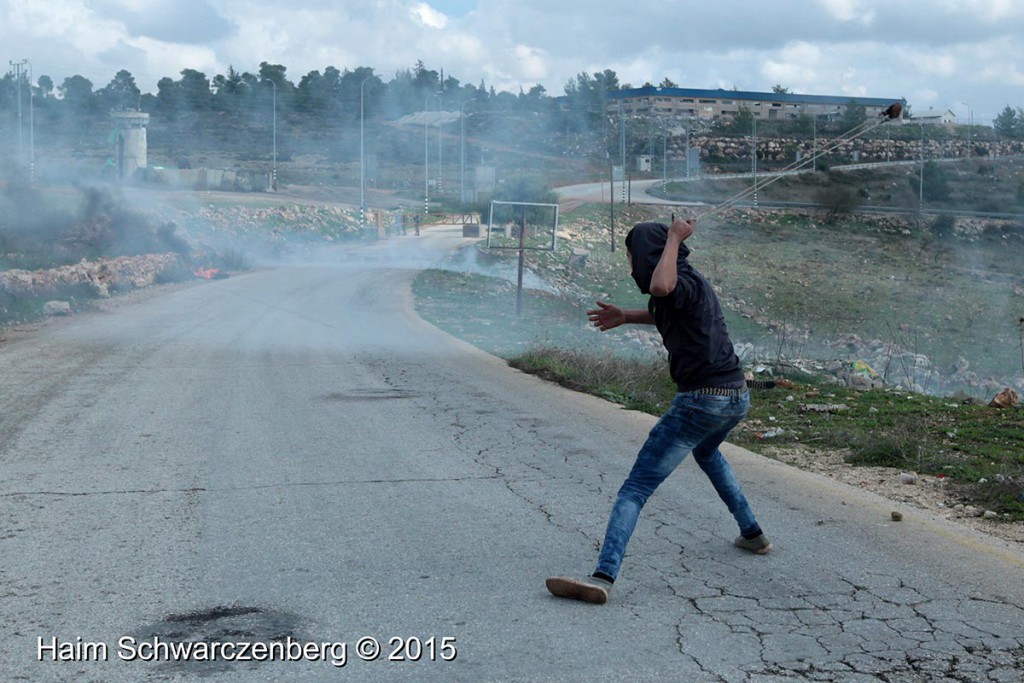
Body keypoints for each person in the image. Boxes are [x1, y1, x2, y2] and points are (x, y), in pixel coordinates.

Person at [546, 218, 771, 606]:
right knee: (707, 452)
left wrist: (673, 237)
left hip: (702, 400)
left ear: (650, 255)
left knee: (635, 488)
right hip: (735, 397)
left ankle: (603, 576)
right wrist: (626, 316)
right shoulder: (689, 283)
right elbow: (663, 305)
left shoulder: (673, 279)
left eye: (633, 257)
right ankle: (752, 534)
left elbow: (661, 287)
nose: (631, 266)